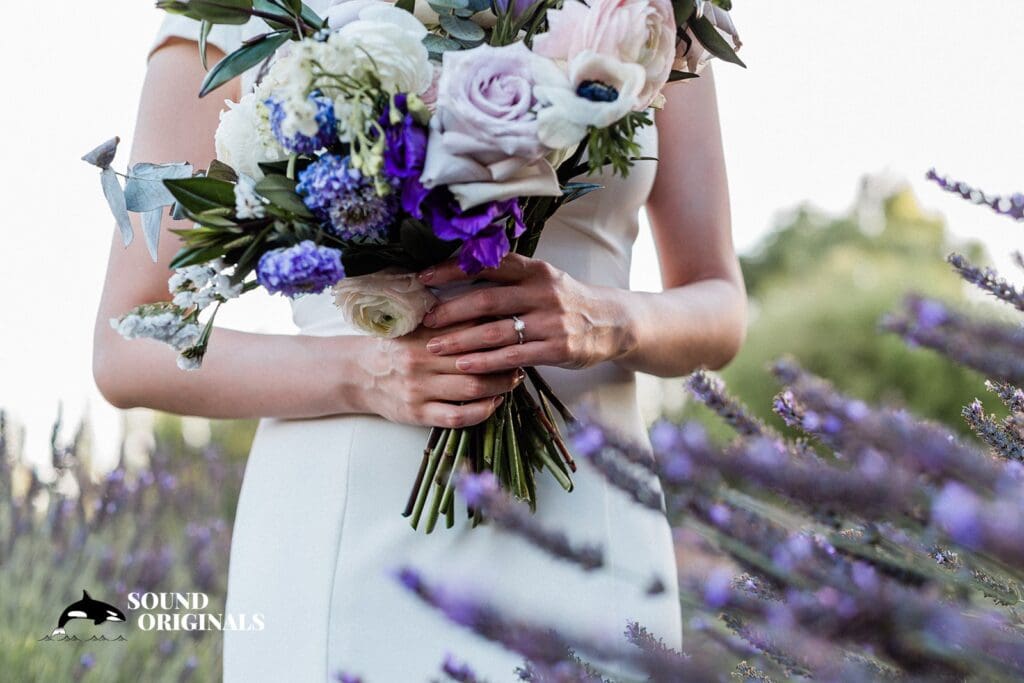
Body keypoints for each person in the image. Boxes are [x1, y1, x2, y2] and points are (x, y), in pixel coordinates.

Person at [92, 2, 747, 680]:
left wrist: (604, 319)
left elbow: (719, 306)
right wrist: (364, 372)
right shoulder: (239, 12)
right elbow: (126, 346)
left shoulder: (647, 15)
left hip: (591, 515)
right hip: (348, 524)